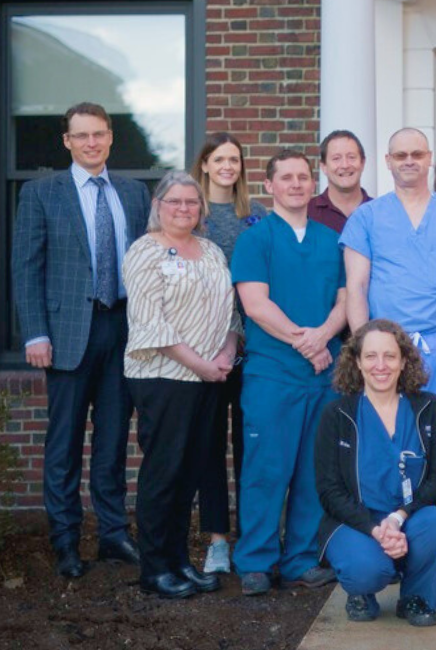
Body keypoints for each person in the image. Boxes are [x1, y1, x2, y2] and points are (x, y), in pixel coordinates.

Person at [342, 127, 436, 584]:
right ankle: (391, 544)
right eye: (400, 154)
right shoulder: (367, 217)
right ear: (387, 161)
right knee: (388, 443)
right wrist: (365, 348)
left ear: (430, 160)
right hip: (388, 345)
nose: (409, 161)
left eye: (417, 153)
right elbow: (357, 287)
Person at [12, 101, 149, 578]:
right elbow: (26, 268)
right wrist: (35, 332)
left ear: (110, 137)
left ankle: (113, 535)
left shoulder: (133, 193)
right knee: (64, 443)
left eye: (99, 134)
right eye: (81, 136)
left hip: (122, 328)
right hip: (67, 332)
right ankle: (66, 541)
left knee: (113, 442)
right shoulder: (42, 193)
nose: (92, 142)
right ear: (67, 142)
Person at [231, 149, 348, 596]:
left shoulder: (329, 239)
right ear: (270, 187)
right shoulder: (256, 239)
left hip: (324, 375)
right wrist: (307, 343)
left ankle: (300, 558)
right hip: (273, 374)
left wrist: (323, 338)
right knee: (266, 469)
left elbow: (344, 301)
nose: (297, 184)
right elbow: (255, 305)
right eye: (287, 178)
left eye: (303, 177)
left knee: (313, 473)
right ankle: (256, 561)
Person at [123, 170, 241, 598]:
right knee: (164, 473)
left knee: (191, 473)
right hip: (164, 378)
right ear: (159, 205)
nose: (184, 209)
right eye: (175, 201)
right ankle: (154, 570)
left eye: (192, 202)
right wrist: (201, 366)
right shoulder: (144, 252)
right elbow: (151, 323)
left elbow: (230, 313)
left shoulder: (210, 251)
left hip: (209, 377)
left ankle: (179, 562)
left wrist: (227, 354)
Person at [315, 319, 436, 626]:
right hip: (355, 523)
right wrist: (374, 528)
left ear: (404, 360)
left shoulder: (428, 409)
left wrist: (398, 518)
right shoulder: (336, 415)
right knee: (367, 570)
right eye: (371, 356)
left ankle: (416, 597)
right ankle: (361, 592)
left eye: (390, 356)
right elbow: (329, 491)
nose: (381, 365)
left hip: (408, 518)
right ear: (357, 361)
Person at [191, 131, 267, 574]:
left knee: (250, 447)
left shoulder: (253, 214)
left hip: (252, 349)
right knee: (209, 446)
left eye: (234, 159)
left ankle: (254, 537)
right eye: (219, 159)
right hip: (203, 350)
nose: (227, 166)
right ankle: (218, 540)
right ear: (203, 164)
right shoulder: (190, 212)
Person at [309, 129, 372, 233]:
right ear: (323, 166)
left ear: (362, 163)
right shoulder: (307, 213)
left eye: (351, 157)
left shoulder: (379, 213)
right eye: (336, 158)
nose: (345, 165)